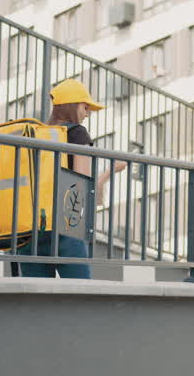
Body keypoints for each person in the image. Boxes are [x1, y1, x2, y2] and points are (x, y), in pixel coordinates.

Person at [16, 78, 124, 279]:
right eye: (85, 107)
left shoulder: (36, 135)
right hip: (65, 226)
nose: (88, 113)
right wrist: (109, 172)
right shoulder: (77, 133)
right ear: (72, 106)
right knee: (80, 293)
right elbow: (83, 187)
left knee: (37, 294)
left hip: (29, 229)